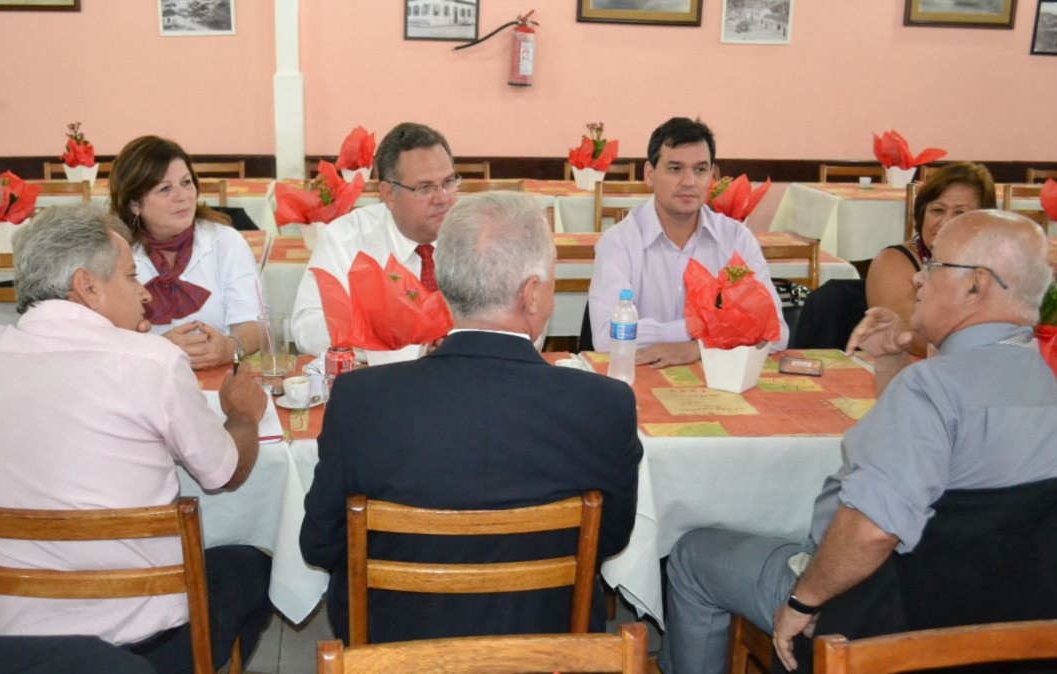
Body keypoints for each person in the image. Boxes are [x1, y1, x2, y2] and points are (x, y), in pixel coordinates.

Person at [659, 210, 1057, 674]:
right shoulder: (1041, 380)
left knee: (692, 554)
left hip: (873, 619)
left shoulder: (932, 389)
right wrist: (890, 364)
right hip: (994, 629)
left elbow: (873, 531)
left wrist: (803, 602)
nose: (918, 279)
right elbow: (941, 477)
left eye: (933, 265)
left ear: (976, 285)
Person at [299, 192, 643, 644]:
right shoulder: (605, 405)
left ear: (444, 284)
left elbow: (320, 543)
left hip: (396, 645)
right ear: (532, 295)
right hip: (548, 642)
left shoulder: (359, 399)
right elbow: (609, 539)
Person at [0, 206, 272, 674]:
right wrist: (242, 414)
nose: (145, 294)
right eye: (131, 276)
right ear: (88, 286)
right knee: (251, 565)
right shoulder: (150, 361)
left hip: (17, 646)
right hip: (143, 642)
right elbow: (225, 472)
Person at [589, 117, 788, 368]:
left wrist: (698, 348)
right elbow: (607, 337)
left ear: (712, 175)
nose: (689, 182)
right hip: (642, 380)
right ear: (650, 174)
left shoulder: (737, 239)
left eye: (700, 170)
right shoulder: (619, 242)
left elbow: (776, 333)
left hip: (721, 383)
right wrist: (710, 327)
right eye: (675, 169)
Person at [292, 122, 460, 356]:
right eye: (425, 188)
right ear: (389, 194)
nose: (443, 198)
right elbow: (306, 329)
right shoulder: (346, 238)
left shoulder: (477, 232)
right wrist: (375, 332)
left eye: (448, 183)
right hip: (383, 375)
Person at [109, 135, 261, 370]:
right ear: (135, 204)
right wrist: (159, 348)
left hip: (218, 379)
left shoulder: (225, 242)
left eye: (186, 182)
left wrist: (230, 348)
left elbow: (255, 323)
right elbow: (103, 338)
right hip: (143, 380)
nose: (182, 197)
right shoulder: (114, 253)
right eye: (165, 189)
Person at [865, 161, 995, 357]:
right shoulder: (893, 261)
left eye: (960, 213)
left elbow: (1021, 332)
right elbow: (907, 338)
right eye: (937, 210)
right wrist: (987, 345)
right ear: (922, 213)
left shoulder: (996, 262)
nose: (945, 222)